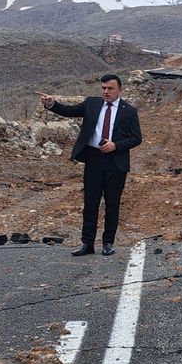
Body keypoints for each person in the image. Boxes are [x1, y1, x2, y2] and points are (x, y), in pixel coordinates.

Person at [36, 75, 142, 256]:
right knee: (90, 203)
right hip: (93, 159)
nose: (106, 92)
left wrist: (116, 145)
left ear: (119, 90)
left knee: (112, 204)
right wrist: (51, 103)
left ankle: (108, 243)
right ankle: (87, 244)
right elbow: (69, 111)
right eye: (103, 88)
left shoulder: (129, 111)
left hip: (116, 162)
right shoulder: (92, 104)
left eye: (110, 88)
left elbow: (136, 138)